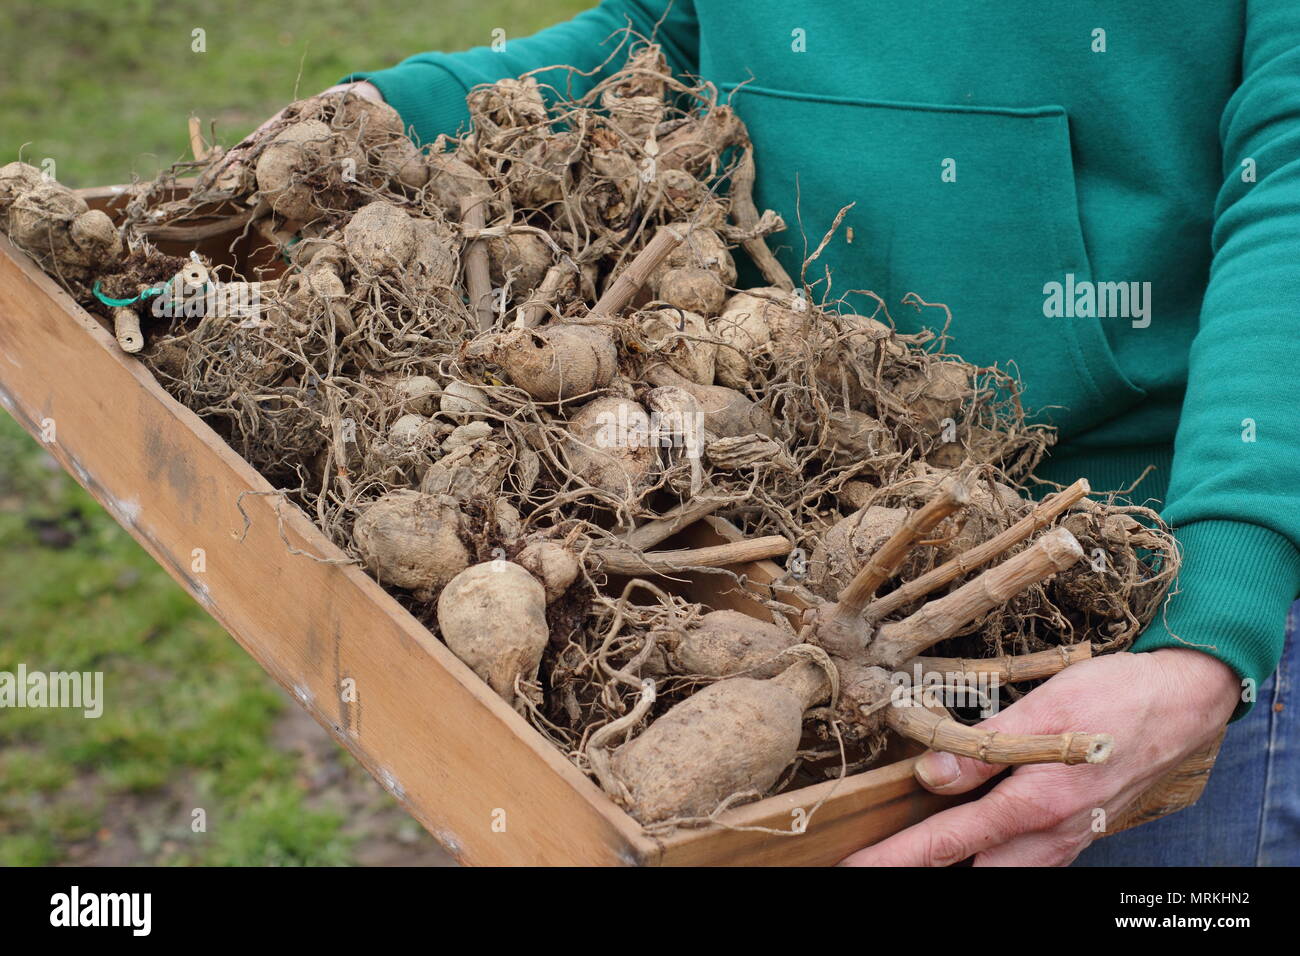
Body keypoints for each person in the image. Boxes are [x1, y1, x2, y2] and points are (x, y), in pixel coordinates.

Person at [272, 1, 1300, 864]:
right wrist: (377, 114)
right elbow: (664, 36)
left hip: (1136, 593)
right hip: (777, 515)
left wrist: (1217, 612)